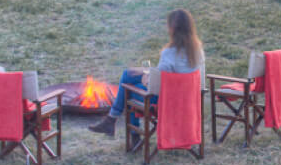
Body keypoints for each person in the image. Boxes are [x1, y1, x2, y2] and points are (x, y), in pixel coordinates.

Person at [87, 9, 205, 137]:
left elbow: (156, 85)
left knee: (130, 90)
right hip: (189, 102)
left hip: (167, 102)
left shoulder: (169, 53)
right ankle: (113, 121)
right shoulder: (198, 51)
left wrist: (146, 78)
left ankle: (123, 128)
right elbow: (174, 75)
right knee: (129, 74)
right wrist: (148, 73)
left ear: (172, 29)